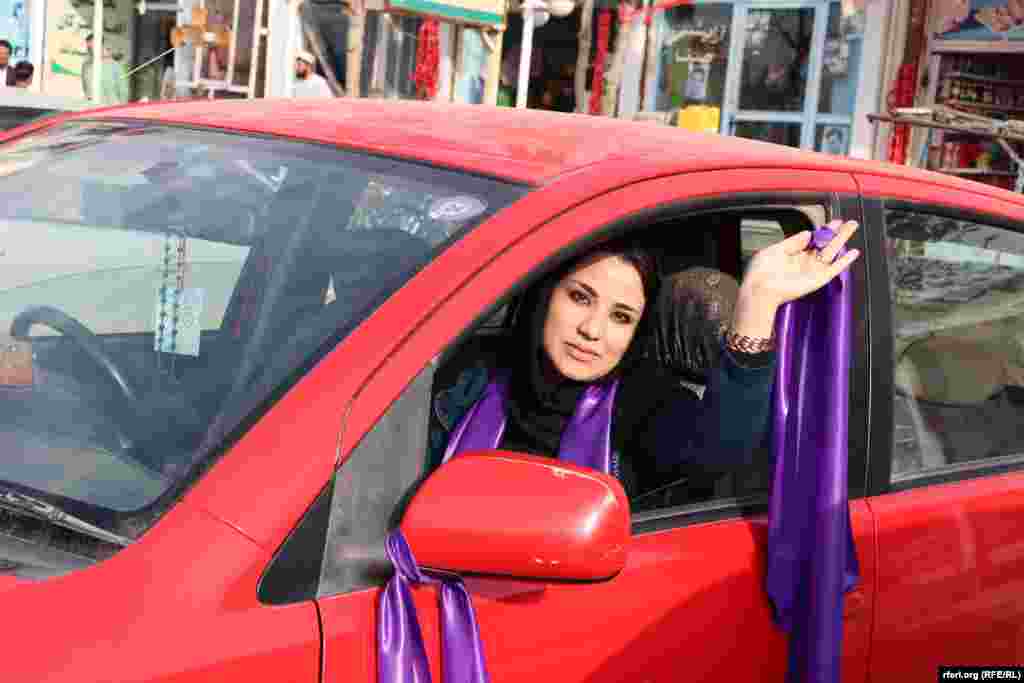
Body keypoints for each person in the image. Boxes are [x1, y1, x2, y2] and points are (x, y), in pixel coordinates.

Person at [429, 220, 861, 498]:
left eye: (621, 317)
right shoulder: (468, 379)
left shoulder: (641, 400)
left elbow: (717, 450)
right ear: (546, 295)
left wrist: (758, 304)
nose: (592, 330)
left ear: (638, 330)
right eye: (580, 298)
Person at [81, 34, 129, 104]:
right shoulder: (86, 65)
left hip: (110, 107)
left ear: (102, 46)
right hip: (92, 107)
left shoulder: (115, 66)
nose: (90, 50)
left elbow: (123, 92)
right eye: (88, 48)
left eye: (92, 47)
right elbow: (86, 89)